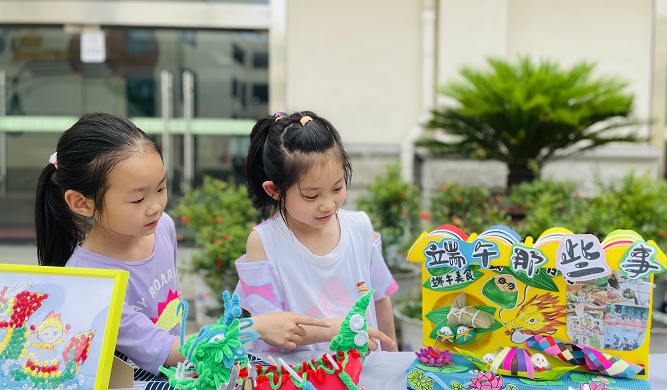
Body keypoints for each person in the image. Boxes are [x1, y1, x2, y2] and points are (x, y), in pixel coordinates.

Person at [35, 113, 331, 374]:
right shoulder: (90, 281)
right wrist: (254, 327)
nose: (155, 207)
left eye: (161, 188)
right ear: (81, 203)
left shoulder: (161, 228)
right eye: (138, 199)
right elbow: (162, 348)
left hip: (176, 376)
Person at [235, 110, 399, 352]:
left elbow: (380, 301)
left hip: (366, 373)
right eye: (311, 195)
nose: (328, 205)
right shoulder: (263, 241)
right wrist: (342, 328)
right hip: (295, 380)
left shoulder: (360, 228)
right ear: (274, 191)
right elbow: (272, 328)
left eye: (337, 188)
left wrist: (392, 360)